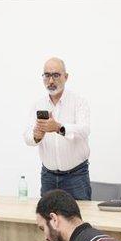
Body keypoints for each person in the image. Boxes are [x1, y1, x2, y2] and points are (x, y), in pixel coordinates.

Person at [24, 57, 92, 200]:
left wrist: (59, 128)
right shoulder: (38, 104)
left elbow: (84, 130)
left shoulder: (79, 102)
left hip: (76, 176)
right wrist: (37, 135)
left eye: (56, 75)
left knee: (80, 219)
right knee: (47, 220)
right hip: (48, 176)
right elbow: (27, 138)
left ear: (66, 77)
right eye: (47, 75)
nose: (51, 81)